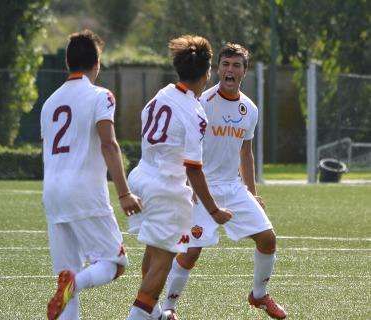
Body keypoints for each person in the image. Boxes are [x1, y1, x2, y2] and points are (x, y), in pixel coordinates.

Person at [160, 43, 287, 319]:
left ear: (244, 71)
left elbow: (246, 151)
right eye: (226, 64)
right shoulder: (201, 102)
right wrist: (186, 185)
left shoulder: (249, 109)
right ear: (218, 68)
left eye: (236, 65)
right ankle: (168, 308)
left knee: (268, 239)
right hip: (201, 188)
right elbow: (184, 146)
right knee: (191, 251)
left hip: (233, 187)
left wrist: (252, 193)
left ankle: (259, 295)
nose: (230, 70)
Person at [126, 35, 233, 320]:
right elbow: (194, 167)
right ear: (208, 72)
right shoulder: (195, 111)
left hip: (140, 178)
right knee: (162, 263)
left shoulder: (161, 94)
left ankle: (157, 313)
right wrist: (214, 210)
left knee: (153, 254)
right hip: (166, 189)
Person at [41, 30, 142, 320]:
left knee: (66, 272)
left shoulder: (49, 102)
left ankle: (70, 283)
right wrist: (124, 192)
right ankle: (75, 283)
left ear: (67, 62)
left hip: (52, 194)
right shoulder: (101, 95)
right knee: (115, 262)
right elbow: (109, 143)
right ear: (96, 63)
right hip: (84, 191)